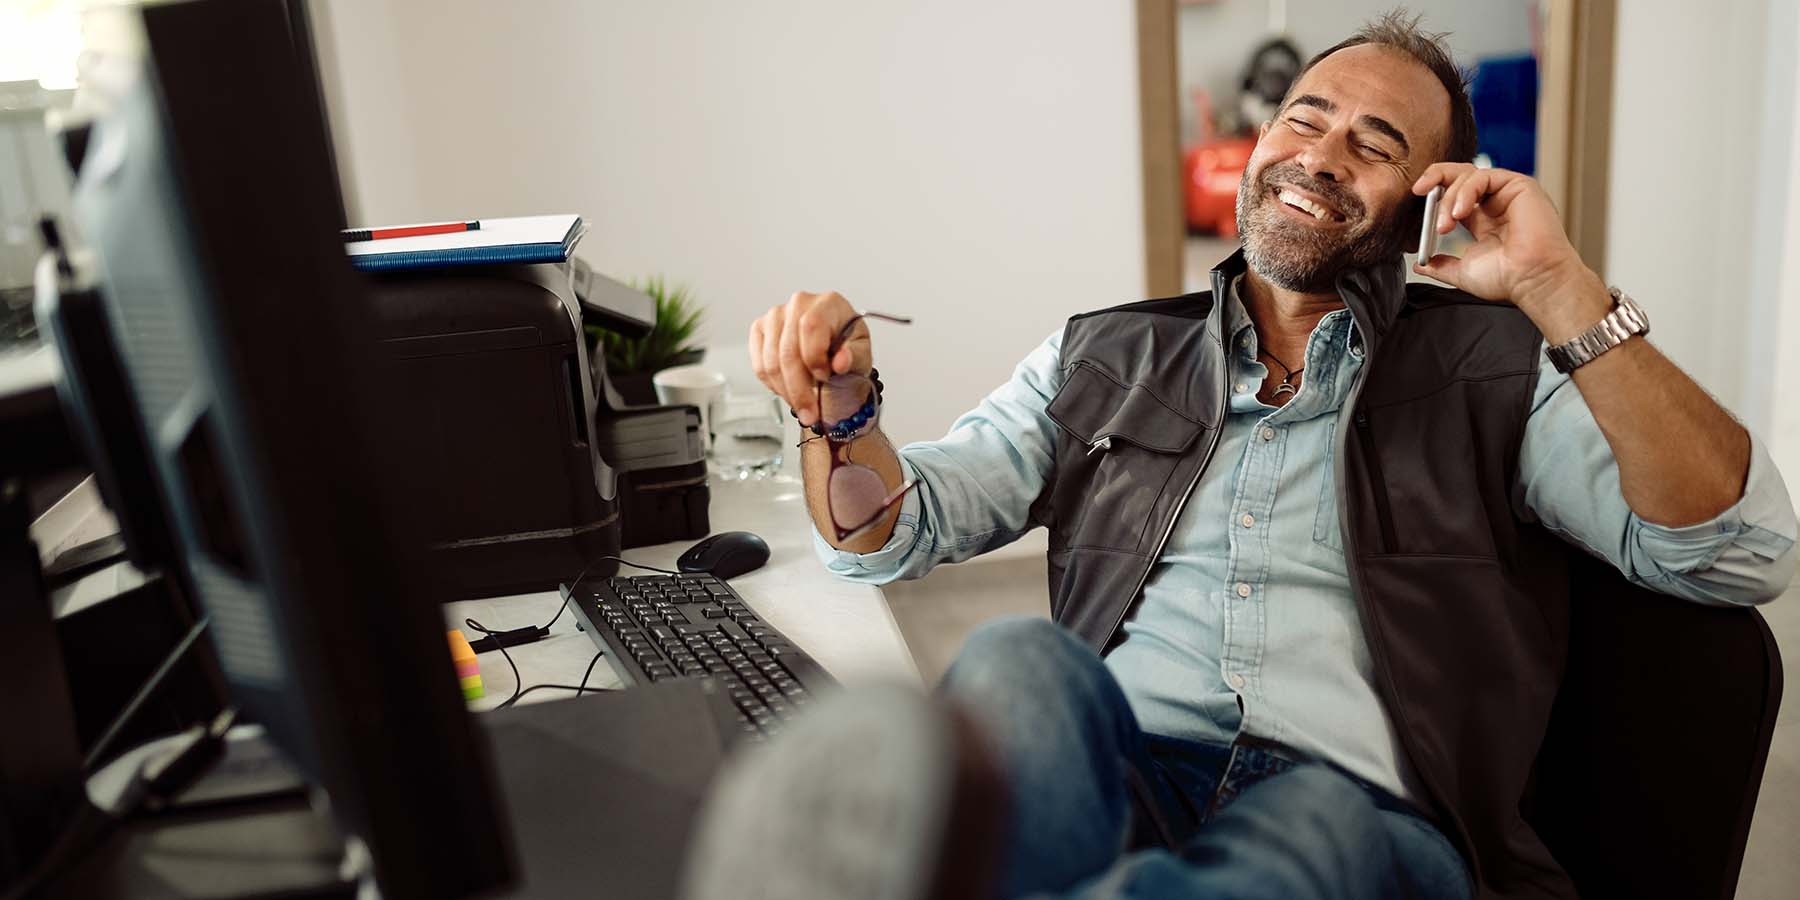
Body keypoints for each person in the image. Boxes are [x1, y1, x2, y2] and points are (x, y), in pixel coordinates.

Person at [681, 12, 1798, 900]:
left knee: (1306, 822)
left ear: (1430, 202)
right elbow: (890, 531)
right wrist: (836, 413)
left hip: (1367, 816)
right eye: (1304, 119)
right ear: (1259, 143)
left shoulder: (1500, 372)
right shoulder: (1105, 354)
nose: (1318, 156)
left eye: (1376, 144)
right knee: (1022, 662)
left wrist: (1565, 293)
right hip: (1127, 778)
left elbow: (1736, 553)